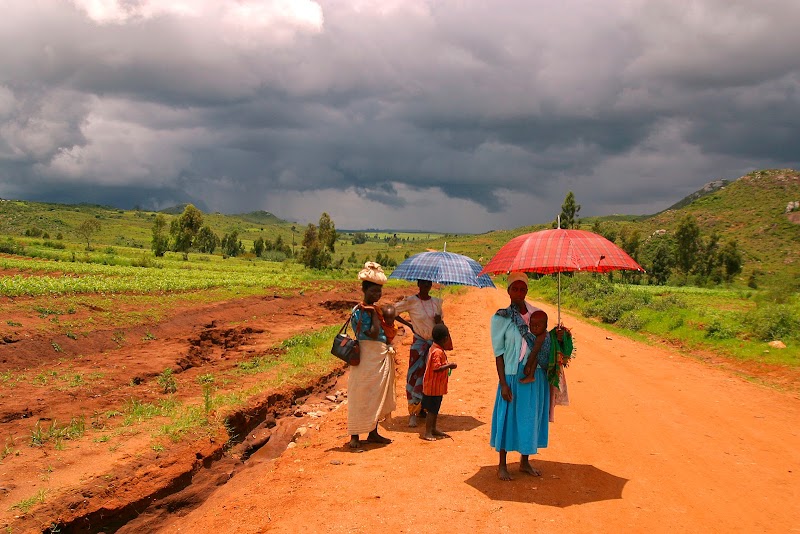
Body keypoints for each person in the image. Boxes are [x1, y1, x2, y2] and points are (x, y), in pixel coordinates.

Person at [489, 272, 550, 481]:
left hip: (534, 375)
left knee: (528, 418)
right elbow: (499, 354)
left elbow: (544, 337)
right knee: (506, 418)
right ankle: (502, 465)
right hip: (512, 375)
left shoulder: (536, 314)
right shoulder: (500, 318)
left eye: (522, 289)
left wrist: (558, 334)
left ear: (527, 291)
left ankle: (524, 462)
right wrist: (503, 383)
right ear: (508, 291)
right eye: (514, 289)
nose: (518, 293)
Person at [347, 262, 396, 449]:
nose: (377, 295)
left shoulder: (373, 309)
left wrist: (375, 312)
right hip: (366, 357)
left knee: (375, 395)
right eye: (374, 291)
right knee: (360, 395)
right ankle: (354, 437)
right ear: (364, 289)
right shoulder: (360, 311)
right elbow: (374, 333)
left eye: (379, 292)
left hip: (377, 357)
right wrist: (374, 315)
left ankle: (373, 432)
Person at [393, 279, 443, 427]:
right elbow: (393, 311)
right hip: (419, 345)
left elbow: (441, 327)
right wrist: (409, 325)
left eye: (428, 284)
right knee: (414, 378)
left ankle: (424, 409)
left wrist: (439, 321)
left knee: (430, 379)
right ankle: (413, 412)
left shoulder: (436, 302)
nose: (426, 286)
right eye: (423, 283)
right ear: (418, 284)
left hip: (433, 346)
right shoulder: (411, 301)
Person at [421, 323, 457, 441]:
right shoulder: (438, 352)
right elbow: (436, 368)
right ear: (445, 338)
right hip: (433, 387)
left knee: (435, 409)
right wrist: (449, 365)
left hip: (435, 386)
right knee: (432, 410)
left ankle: (433, 429)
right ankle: (427, 432)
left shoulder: (434, 348)